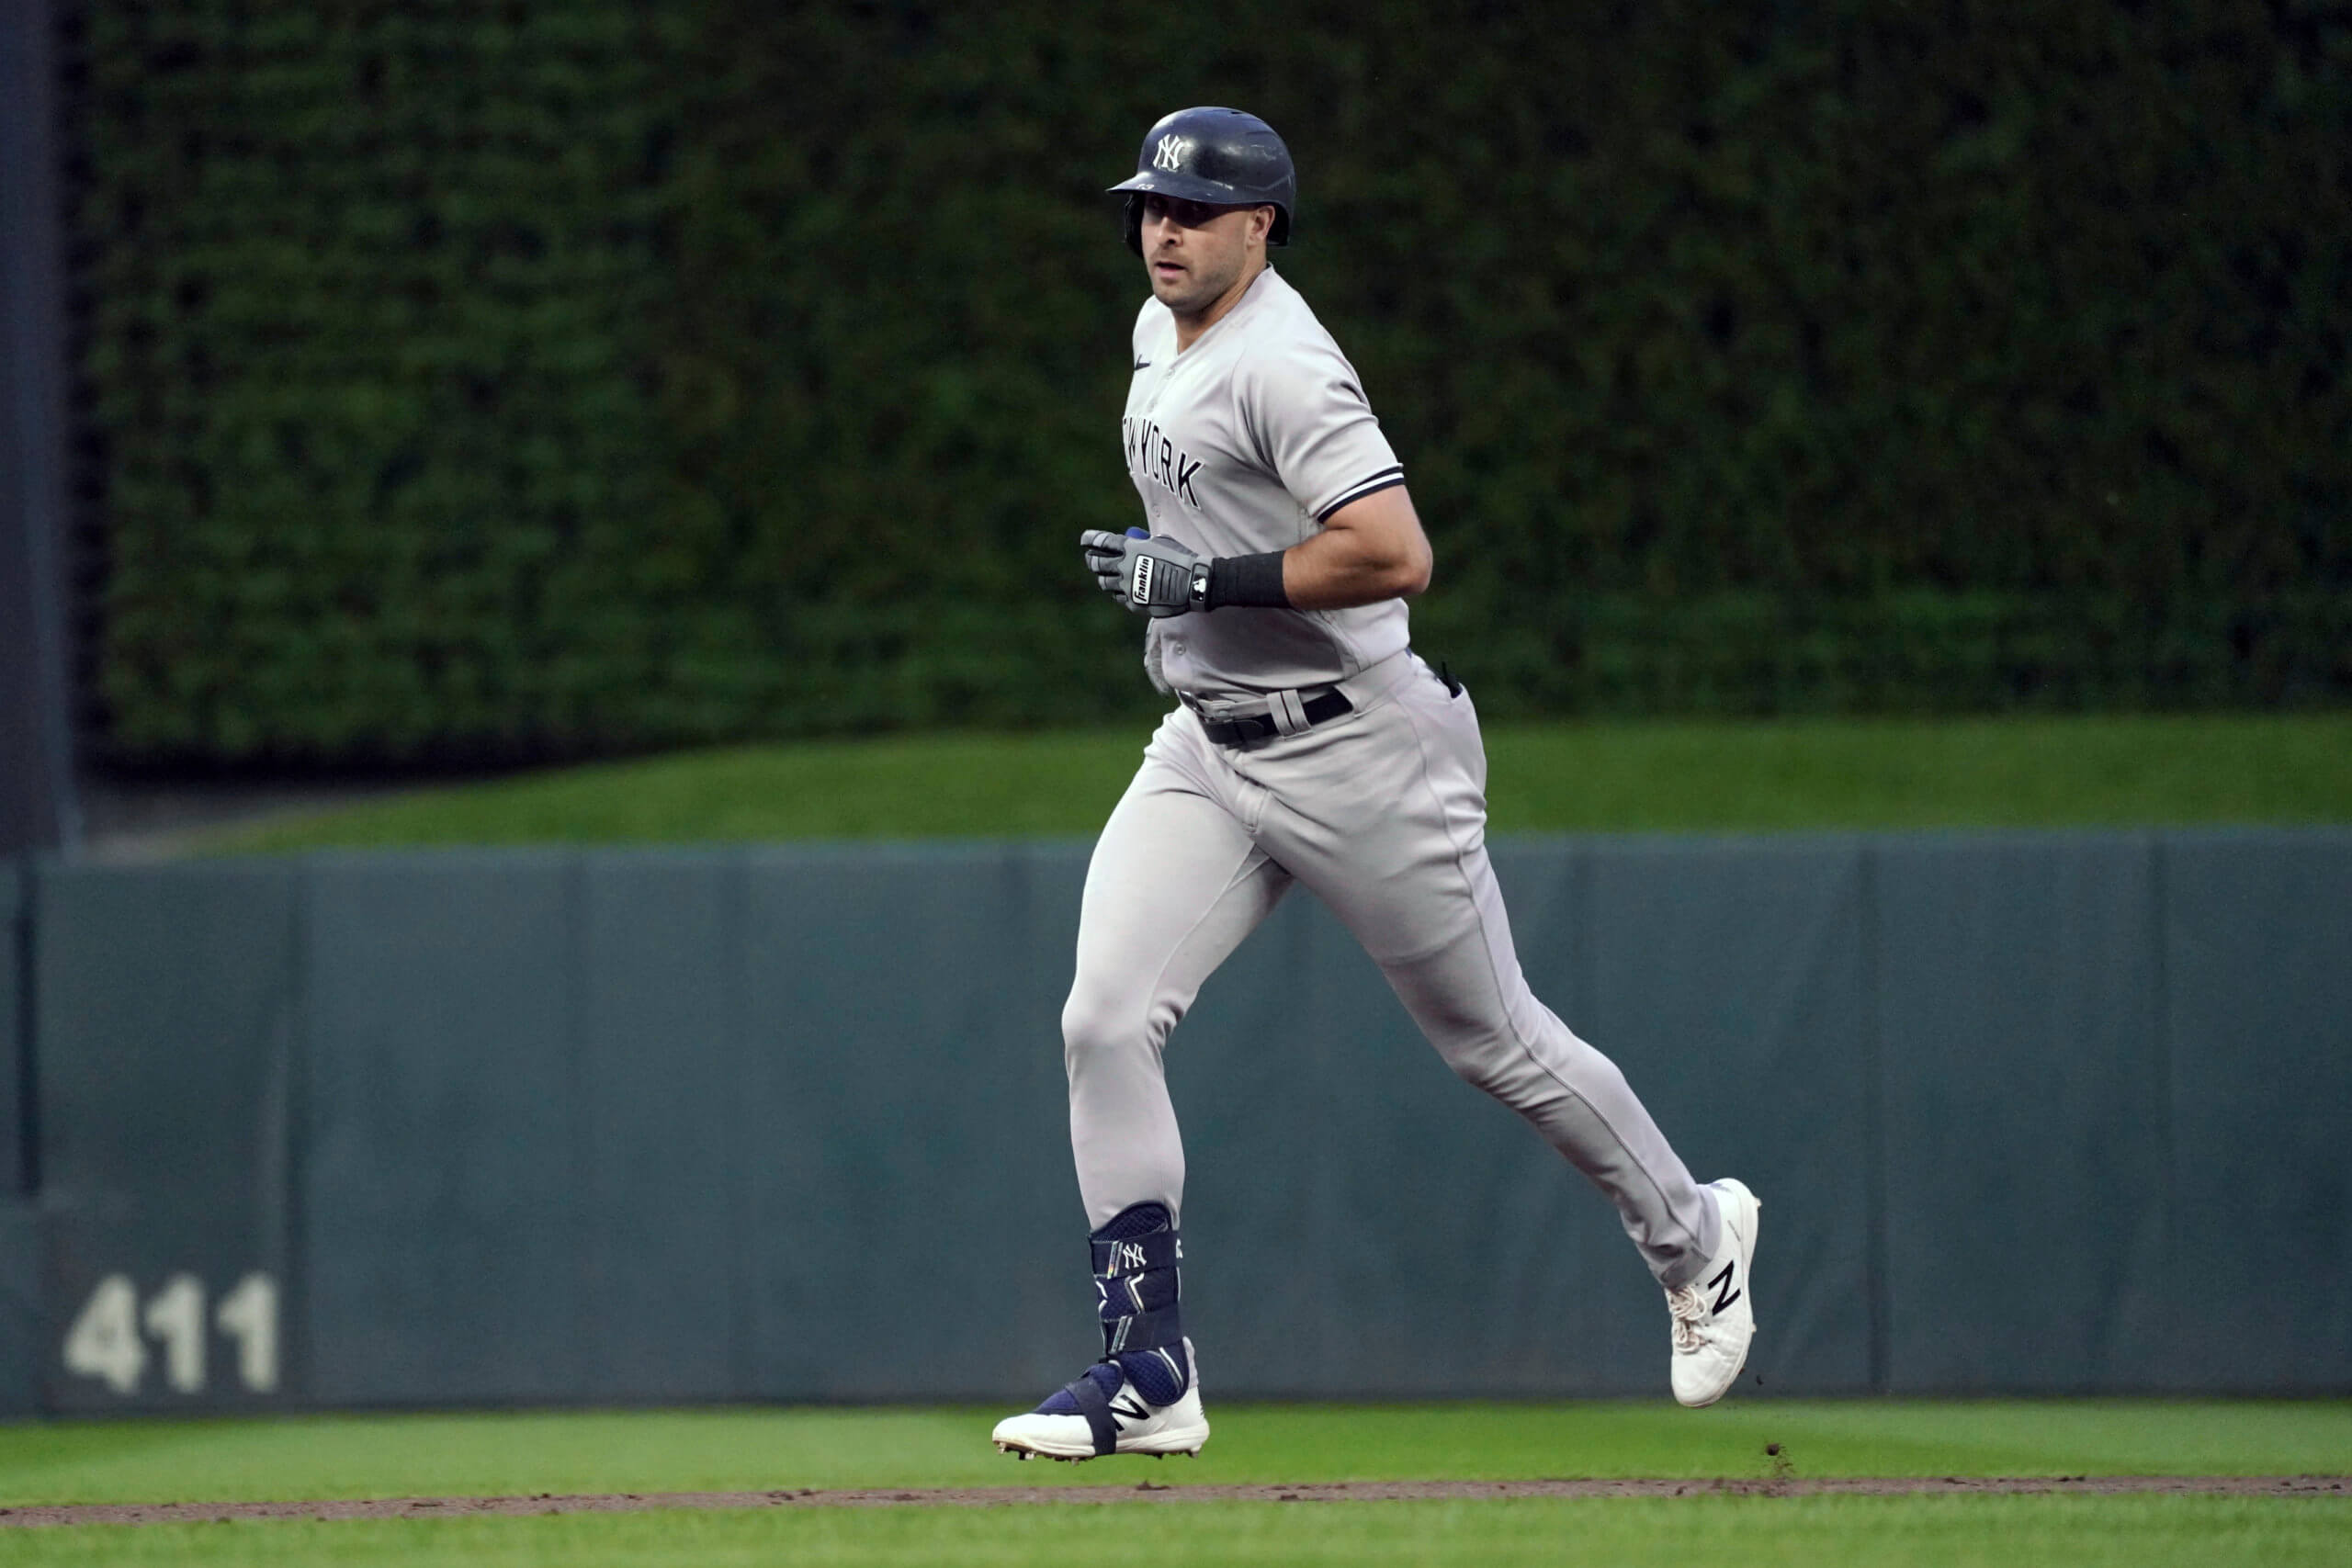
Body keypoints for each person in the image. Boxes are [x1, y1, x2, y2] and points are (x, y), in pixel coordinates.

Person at [990, 107, 1758, 1462]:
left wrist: (1207, 578)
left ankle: (1699, 1238)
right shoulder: (1158, 332)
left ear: (1262, 226)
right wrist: (1196, 583)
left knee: (1494, 1041)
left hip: (1359, 743)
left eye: (1194, 209)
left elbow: (1395, 550)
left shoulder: (1286, 365)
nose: (1162, 227)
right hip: (1211, 746)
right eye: (1150, 206)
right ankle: (1151, 1370)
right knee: (1103, 1019)